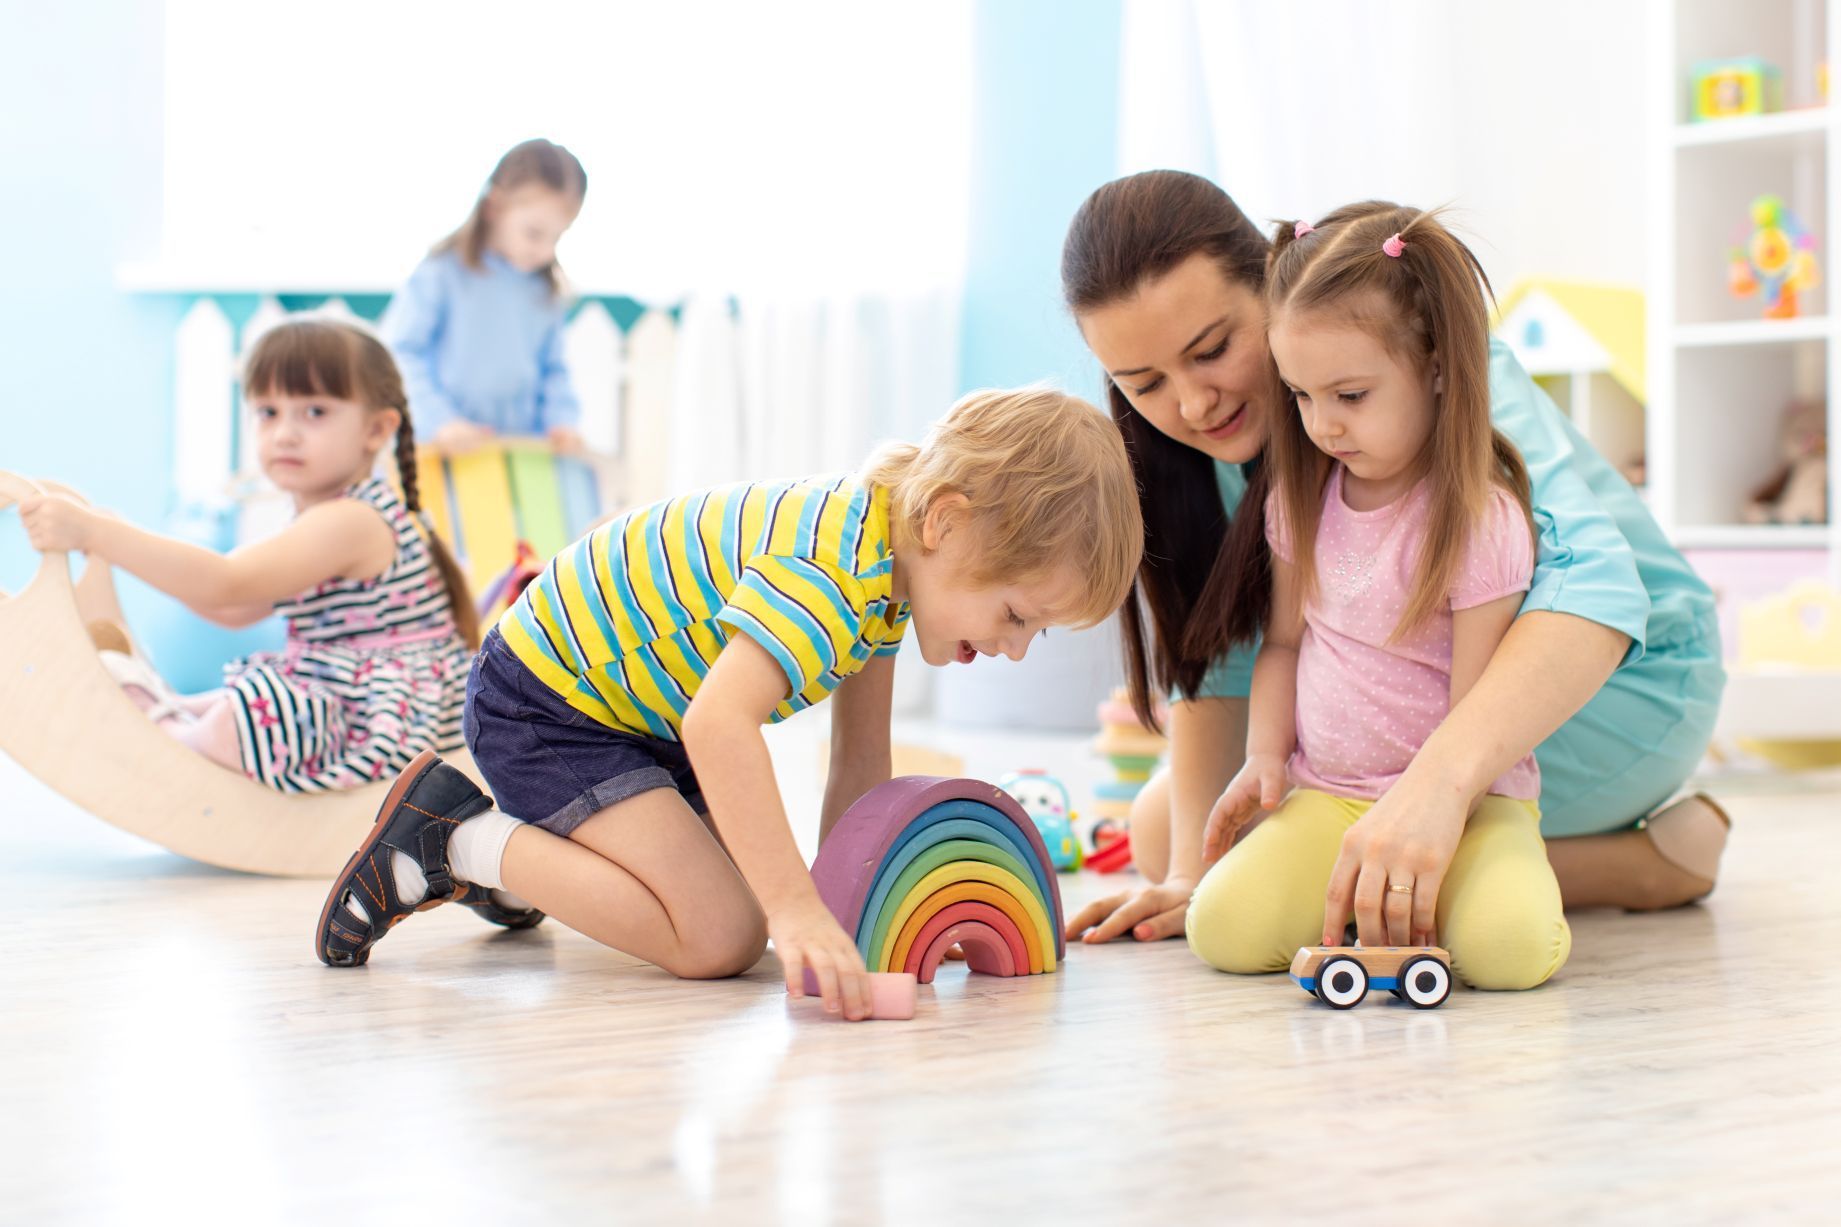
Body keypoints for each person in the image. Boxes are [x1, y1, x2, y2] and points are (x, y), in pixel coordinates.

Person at [314, 388, 1143, 1023]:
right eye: (1016, 614)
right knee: (722, 935)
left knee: (733, 905)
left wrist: (858, 913)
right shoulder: (833, 567)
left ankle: (530, 861)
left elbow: (858, 767)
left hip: (637, 714)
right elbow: (719, 723)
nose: (1015, 646)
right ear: (947, 522)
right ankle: (454, 836)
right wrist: (794, 911)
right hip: (546, 701)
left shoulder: (889, 569)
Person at [1058, 170, 1728, 951]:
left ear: (1273, 293)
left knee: (1293, 845)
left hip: (1622, 685)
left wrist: (1436, 784)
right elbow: (1233, 656)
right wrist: (1184, 874)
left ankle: (1637, 870)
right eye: (1143, 384)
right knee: (1166, 829)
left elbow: (1597, 589)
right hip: (1404, 702)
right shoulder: (1205, 449)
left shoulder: (1439, 373)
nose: (1194, 403)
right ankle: (1598, 863)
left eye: (1211, 350)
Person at [1194, 203, 1562, 988]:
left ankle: (1447, 893)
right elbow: (1284, 645)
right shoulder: (1297, 499)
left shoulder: (1477, 517)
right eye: (1298, 395)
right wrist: (1263, 756)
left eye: (1349, 395)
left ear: (1433, 365)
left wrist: (1434, 818)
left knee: (1509, 952)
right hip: (1328, 798)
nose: (1320, 424)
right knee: (1219, 927)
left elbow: (1478, 708)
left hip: (1459, 809)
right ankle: (1365, 901)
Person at [20, 318, 476, 794]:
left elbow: (227, 582)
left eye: (315, 412)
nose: (285, 434)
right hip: (354, 701)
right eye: (268, 412)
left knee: (241, 715)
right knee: (223, 703)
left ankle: (173, 733)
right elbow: (233, 608)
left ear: (376, 429)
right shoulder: (329, 516)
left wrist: (102, 533)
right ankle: (179, 719)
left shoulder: (351, 520)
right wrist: (115, 544)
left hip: (387, 722)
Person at [382, 138, 589, 456]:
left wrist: (561, 422)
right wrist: (441, 421)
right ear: (494, 207)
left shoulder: (544, 293)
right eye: (534, 233)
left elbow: (554, 370)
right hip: (440, 451)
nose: (546, 251)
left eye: (557, 238)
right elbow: (402, 354)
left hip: (515, 455)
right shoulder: (441, 273)